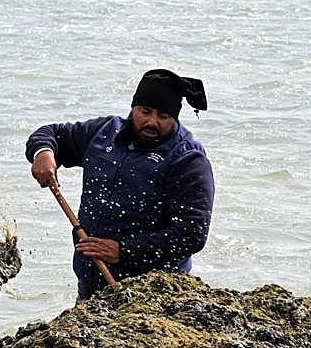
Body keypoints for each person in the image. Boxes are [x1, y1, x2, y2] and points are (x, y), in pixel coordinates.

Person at [26, 68, 215, 300]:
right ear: (133, 107)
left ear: (174, 117)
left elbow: (192, 233)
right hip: (90, 288)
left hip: (152, 292)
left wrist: (124, 251)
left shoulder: (187, 158)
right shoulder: (105, 133)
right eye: (145, 112)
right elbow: (52, 134)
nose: (152, 122)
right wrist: (44, 152)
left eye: (163, 116)